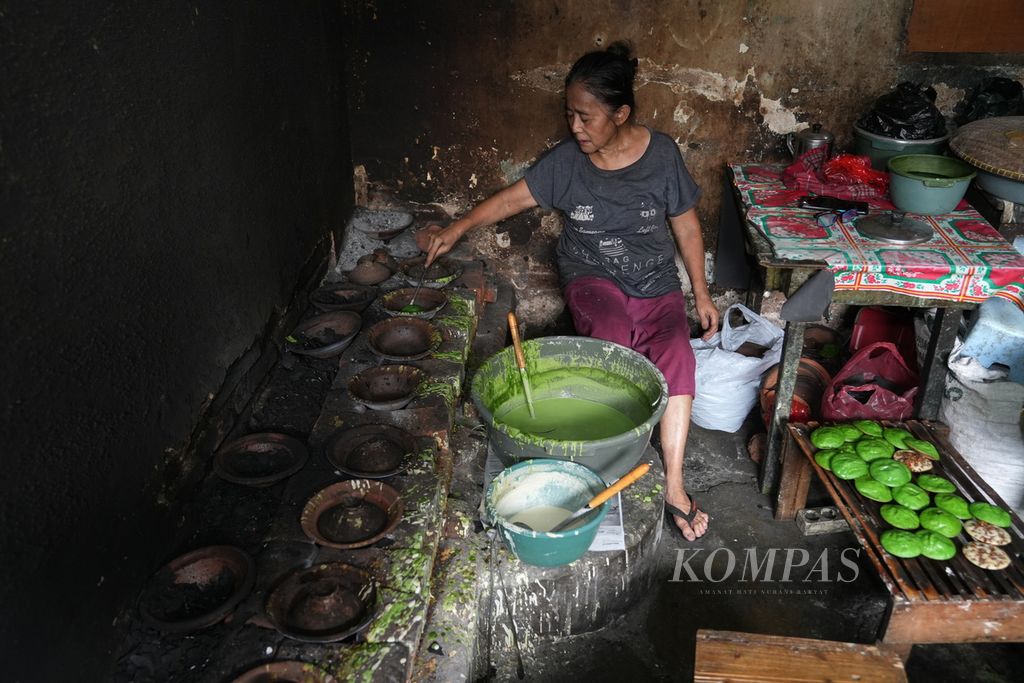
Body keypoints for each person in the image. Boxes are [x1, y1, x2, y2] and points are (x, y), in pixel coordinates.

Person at [417, 42, 719, 541]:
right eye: (569, 116)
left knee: (676, 355)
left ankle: (674, 485)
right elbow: (511, 199)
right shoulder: (566, 163)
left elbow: (686, 227)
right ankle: (600, 463)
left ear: (620, 113)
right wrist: (457, 228)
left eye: (585, 117)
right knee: (613, 340)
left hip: (655, 283)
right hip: (592, 275)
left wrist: (702, 296)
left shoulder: (661, 155)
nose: (575, 128)